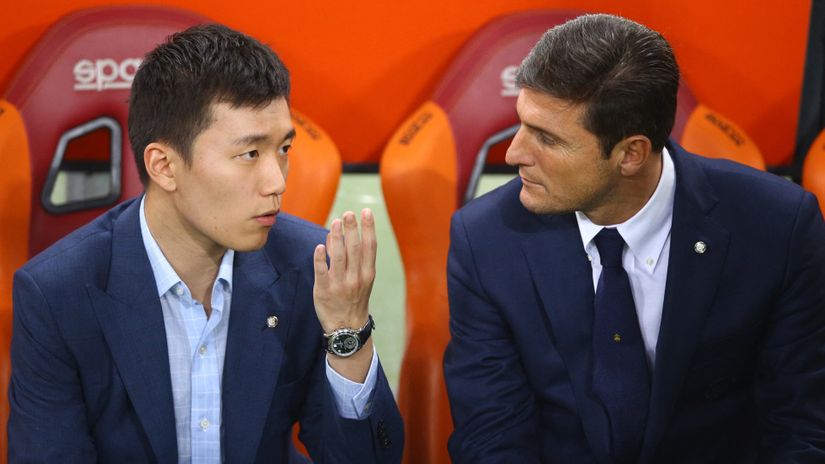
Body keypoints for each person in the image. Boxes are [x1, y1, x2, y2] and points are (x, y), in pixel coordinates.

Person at [9, 24, 402, 463]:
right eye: (250, 154)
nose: (277, 181)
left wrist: (347, 333)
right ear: (164, 166)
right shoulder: (56, 294)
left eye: (284, 149)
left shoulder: (310, 270)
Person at [443, 13, 825, 464]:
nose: (514, 153)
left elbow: (803, 426)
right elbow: (491, 436)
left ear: (631, 154)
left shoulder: (777, 226)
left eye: (546, 138)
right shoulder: (485, 239)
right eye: (522, 124)